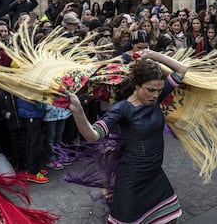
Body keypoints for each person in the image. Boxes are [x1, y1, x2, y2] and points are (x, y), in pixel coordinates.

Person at [68, 49, 187, 223]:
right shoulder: (122, 109)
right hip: (132, 180)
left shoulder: (155, 97)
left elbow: (182, 70)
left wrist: (152, 55)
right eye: (151, 89)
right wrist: (78, 111)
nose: (156, 94)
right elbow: (93, 136)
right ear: (137, 85)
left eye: (159, 90)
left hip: (154, 174)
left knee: (170, 218)